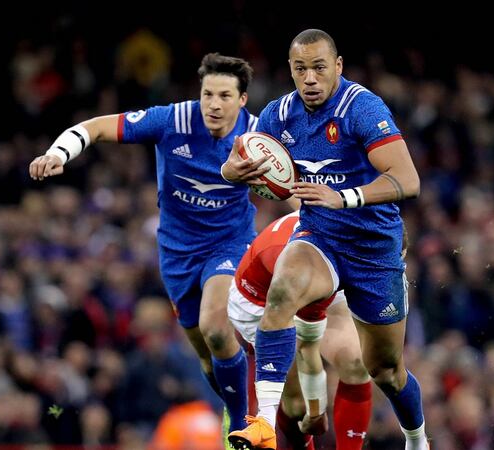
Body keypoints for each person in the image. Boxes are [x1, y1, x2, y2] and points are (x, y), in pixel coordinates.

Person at [28, 53, 271, 435]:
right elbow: (95, 128)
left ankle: (242, 426)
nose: (213, 104)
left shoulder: (259, 136)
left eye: (225, 96)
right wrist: (58, 153)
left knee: (216, 327)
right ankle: (233, 409)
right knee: (206, 357)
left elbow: (295, 180)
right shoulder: (172, 120)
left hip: (229, 244)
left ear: (242, 100)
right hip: (177, 253)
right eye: (208, 94)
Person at [224, 29, 428, 450]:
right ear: (291, 71)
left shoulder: (361, 108)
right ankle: (263, 422)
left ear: (338, 66)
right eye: (301, 69)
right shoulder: (280, 114)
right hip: (319, 237)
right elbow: (241, 159)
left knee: (385, 371)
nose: (310, 78)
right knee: (283, 293)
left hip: (373, 250)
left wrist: (344, 197)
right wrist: (232, 171)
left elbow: (408, 180)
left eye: (319, 67)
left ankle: (417, 439)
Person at [227, 211, 374, 450]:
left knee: (356, 361)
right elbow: (308, 350)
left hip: (310, 272)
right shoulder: (304, 271)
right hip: (256, 301)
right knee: (297, 406)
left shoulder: (342, 232)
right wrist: (316, 411)